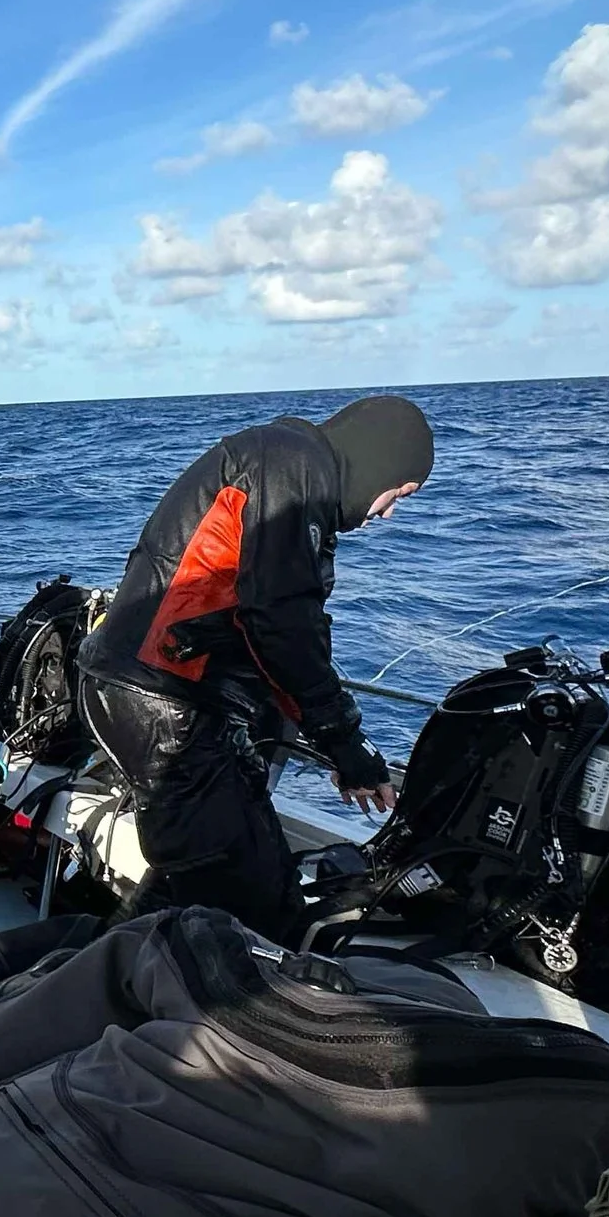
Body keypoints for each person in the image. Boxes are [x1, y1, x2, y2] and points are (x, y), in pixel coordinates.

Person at [74, 395, 433, 936]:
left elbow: (267, 628)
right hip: (165, 708)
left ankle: (78, 982)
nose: (387, 511)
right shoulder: (293, 466)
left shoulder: (286, 467)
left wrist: (332, 741)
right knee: (250, 911)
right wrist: (345, 744)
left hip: (161, 698)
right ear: (379, 459)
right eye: (397, 493)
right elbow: (282, 624)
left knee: (193, 890)